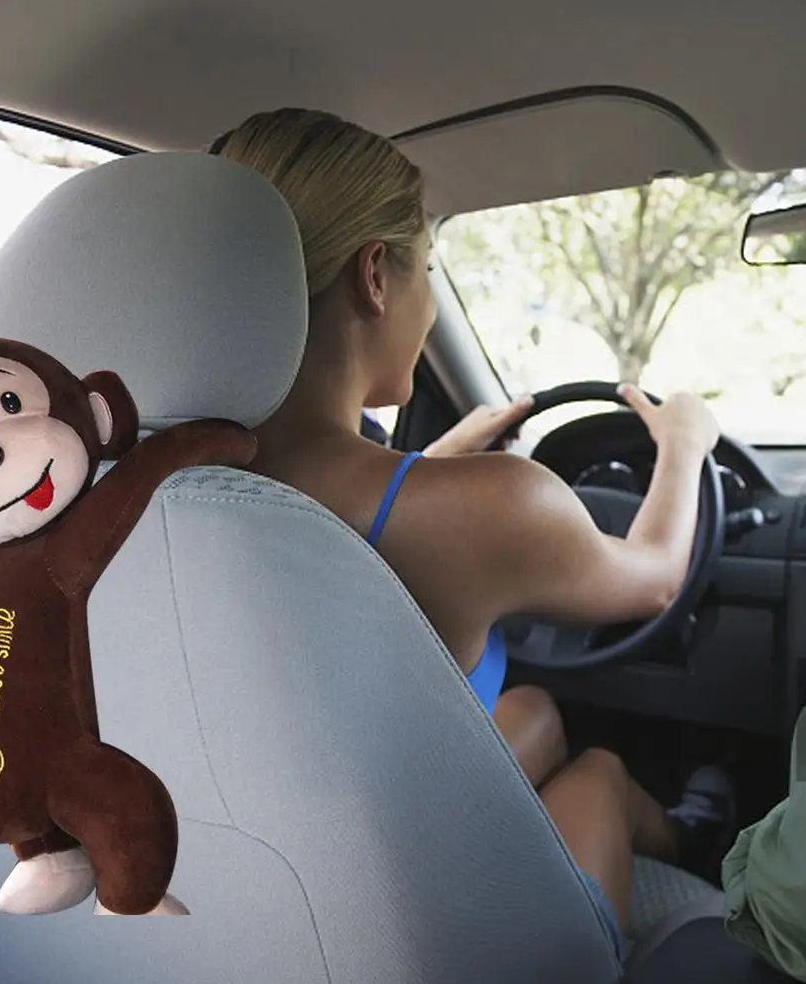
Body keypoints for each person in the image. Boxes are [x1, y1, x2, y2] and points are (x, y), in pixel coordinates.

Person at [207, 108, 734, 956]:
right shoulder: (494, 506)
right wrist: (682, 444)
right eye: (429, 268)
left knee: (533, 708)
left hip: (276, 891)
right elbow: (653, 576)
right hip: (428, 931)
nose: (426, 298)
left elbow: (342, 507)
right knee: (598, 772)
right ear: (374, 276)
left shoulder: (165, 485)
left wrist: (429, 466)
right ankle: (696, 843)